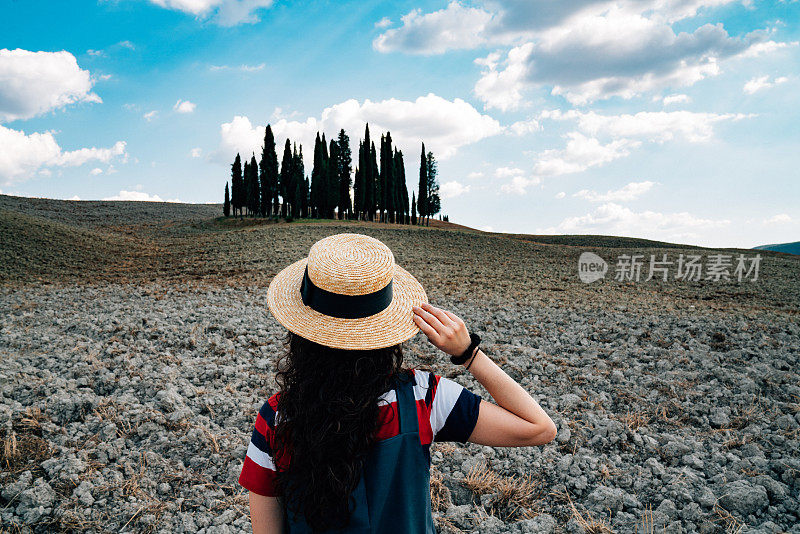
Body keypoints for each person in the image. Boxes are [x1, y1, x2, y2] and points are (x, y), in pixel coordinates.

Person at [239, 232, 557, 533]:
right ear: (387, 328)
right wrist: (469, 353)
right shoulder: (424, 397)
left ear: (302, 332)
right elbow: (540, 427)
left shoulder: (277, 418)